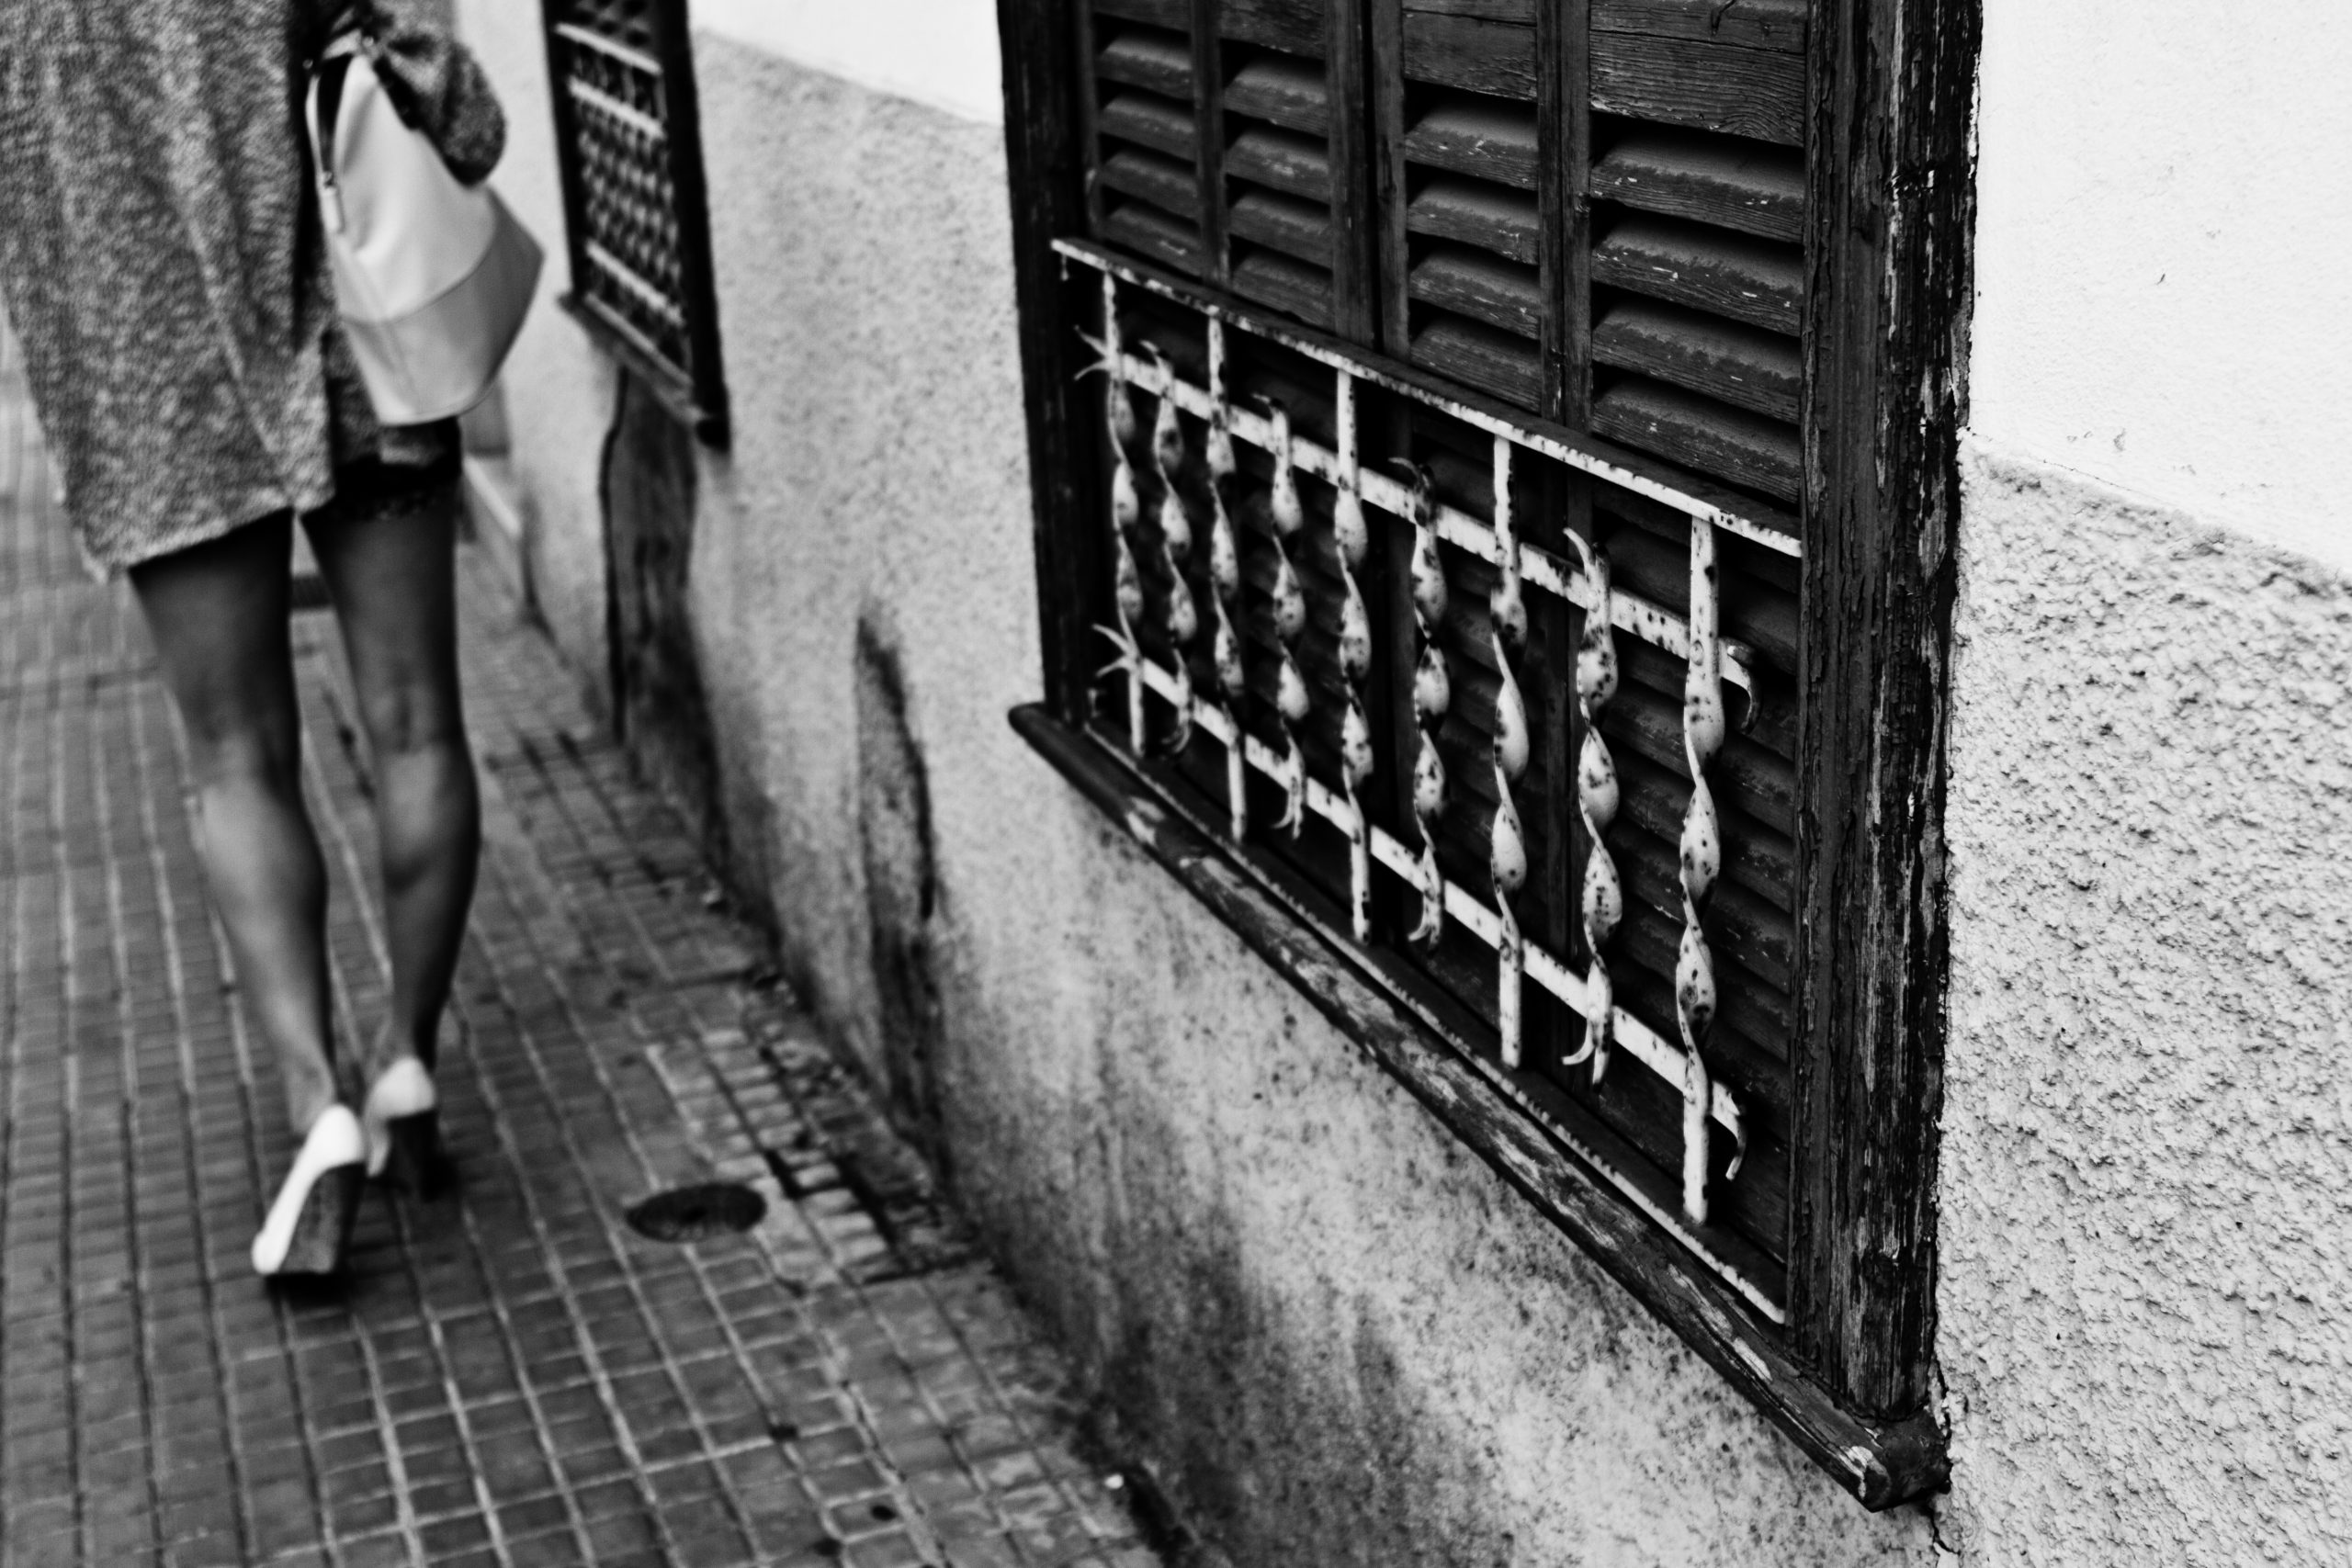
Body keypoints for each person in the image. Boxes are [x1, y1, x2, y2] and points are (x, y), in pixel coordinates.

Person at [0, 2, 510, 1277]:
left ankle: (315, 1104)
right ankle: (404, 1061)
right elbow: (463, 111)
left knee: (232, 758)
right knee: (415, 722)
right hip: (355, 343)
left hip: (147, 388)